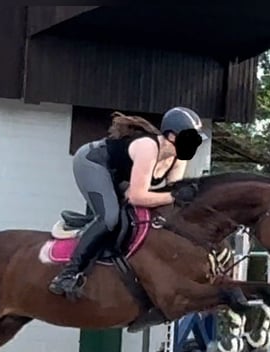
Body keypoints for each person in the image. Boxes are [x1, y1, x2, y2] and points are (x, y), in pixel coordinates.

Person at [48, 106, 208, 298]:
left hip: (119, 175)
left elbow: (169, 195)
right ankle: (67, 274)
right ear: (172, 136)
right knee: (110, 218)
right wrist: (175, 197)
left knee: (132, 217)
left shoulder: (179, 159)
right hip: (92, 164)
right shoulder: (148, 149)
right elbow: (138, 196)